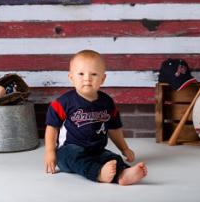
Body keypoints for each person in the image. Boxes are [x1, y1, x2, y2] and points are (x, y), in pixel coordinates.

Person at [44, 49, 148, 185]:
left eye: (93, 74)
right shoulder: (63, 102)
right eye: (81, 74)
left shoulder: (107, 102)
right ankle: (98, 173)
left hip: (96, 150)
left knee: (111, 157)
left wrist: (124, 149)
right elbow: (52, 127)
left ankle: (123, 174)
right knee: (76, 157)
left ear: (103, 79)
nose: (87, 78)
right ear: (71, 78)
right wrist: (50, 151)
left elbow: (114, 129)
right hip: (69, 150)